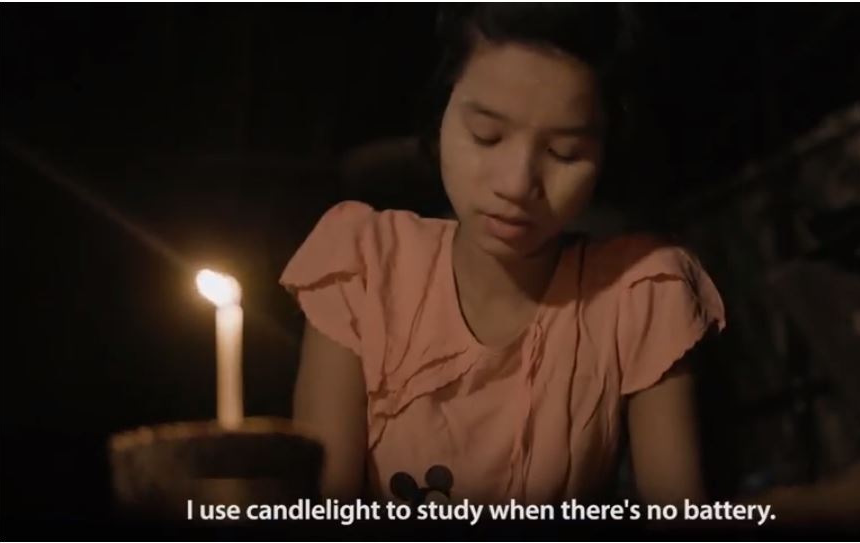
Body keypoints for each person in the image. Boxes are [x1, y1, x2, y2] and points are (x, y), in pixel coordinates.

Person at [280, 4, 725, 507]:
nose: (516, 186)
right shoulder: (363, 264)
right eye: (486, 136)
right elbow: (321, 512)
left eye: (564, 153)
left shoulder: (640, 289)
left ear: (605, 152)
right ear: (440, 113)